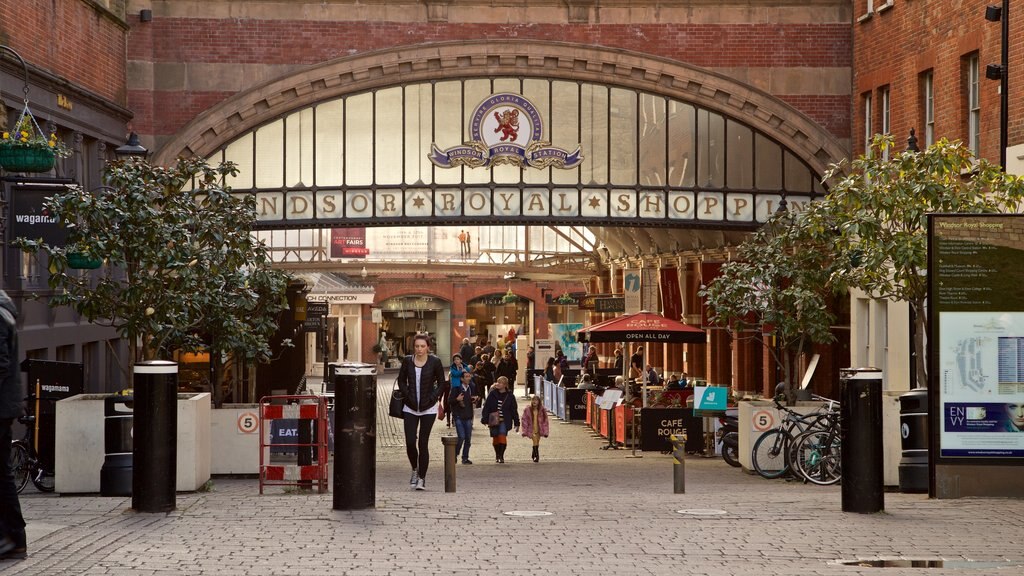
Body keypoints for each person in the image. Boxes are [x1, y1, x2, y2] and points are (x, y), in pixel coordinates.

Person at [396, 334, 446, 491]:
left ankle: (422, 479)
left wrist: (433, 397)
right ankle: (414, 470)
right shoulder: (407, 361)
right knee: (410, 441)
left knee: (422, 443)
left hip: (428, 408)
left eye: (422, 346)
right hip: (410, 407)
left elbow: (442, 383)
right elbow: (401, 380)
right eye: (417, 346)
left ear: (428, 347)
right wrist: (407, 395)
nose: (419, 349)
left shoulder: (435, 362)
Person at [0, 290, 26, 560]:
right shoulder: (5, 311)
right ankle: (14, 539)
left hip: (0, 407)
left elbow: (0, 364)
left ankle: (8, 539)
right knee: (3, 475)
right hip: (5, 407)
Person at [481, 376, 519, 463]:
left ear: (505, 385)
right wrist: (484, 418)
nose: (498, 384)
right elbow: (486, 407)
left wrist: (517, 422)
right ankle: (497, 454)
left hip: (504, 420)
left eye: (500, 382)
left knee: (502, 435)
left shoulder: (510, 396)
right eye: (497, 382)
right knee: (495, 436)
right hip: (493, 419)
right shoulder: (492, 394)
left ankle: (501, 455)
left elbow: (513, 410)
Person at [448, 359, 478, 464]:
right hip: (458, 415)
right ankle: (455, 454)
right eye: (466, 377)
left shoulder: (472, 387)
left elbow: (475, 398)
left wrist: (475, 399)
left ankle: (465, 457)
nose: (468, 378)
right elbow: (449, 401)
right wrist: (457, 399)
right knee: (461, 437)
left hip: (468, 415)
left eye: (469, 376)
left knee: (468, 439)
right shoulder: (456, 389)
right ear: (461, 379)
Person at [520, 395, 550, 462]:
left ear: (539, 402)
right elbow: (524, 420)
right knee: (535, 441)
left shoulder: (542, 410)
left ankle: (534, 454)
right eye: (533, 400)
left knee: (537, 441)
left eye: (536, 400)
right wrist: (524, 430)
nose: (534, 402)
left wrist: (545, 431)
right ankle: (536, 455)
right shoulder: (527, 410)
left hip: (539, 429)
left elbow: (545, 421)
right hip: (532, 429)